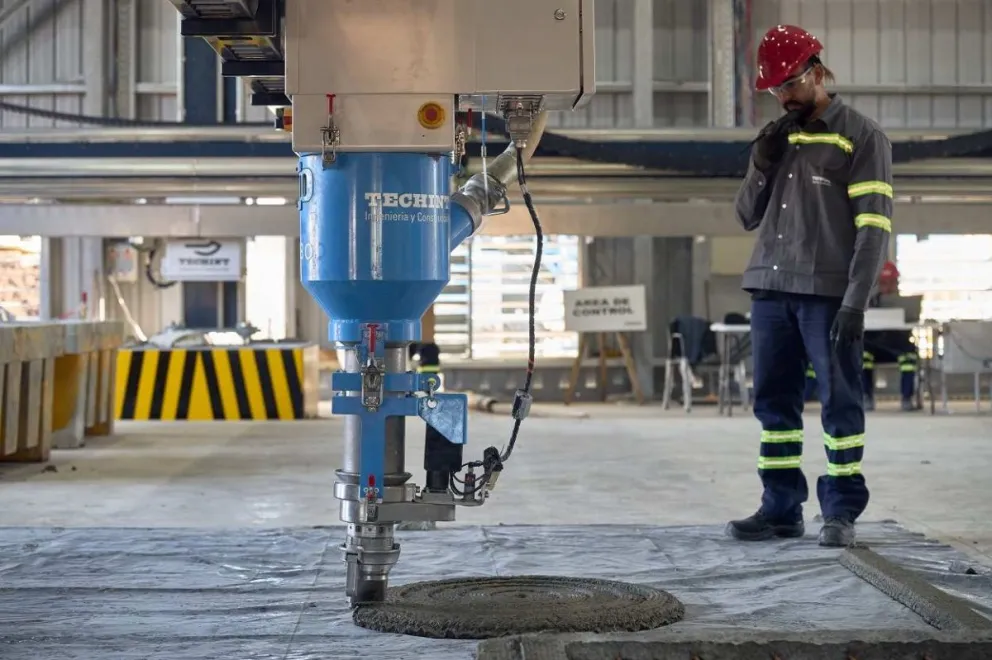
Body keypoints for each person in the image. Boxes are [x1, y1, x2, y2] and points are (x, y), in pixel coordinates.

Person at [727, 24, 893, 547]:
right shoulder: (776, 138)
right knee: (775, 407)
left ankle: (840, 511)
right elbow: (745, 217)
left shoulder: (860, 137)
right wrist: (761, 164)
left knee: (839, 402)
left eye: (791, 84)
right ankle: (780, 509)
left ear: (817, 72)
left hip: (826, 297)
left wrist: (855, 302)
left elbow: (874, 228)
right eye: (775, 89)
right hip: (770, 288)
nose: (784, 97)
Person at [863, 261, 919, 412]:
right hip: (874, 347)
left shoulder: (905, 305)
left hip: (898, 346)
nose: (887, 287)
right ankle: (866, 396)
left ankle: (907, 398)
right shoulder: (869, 303)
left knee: (909, 356)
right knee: (862, 356)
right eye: (884, 283)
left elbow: (912, 324)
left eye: (891, 283)